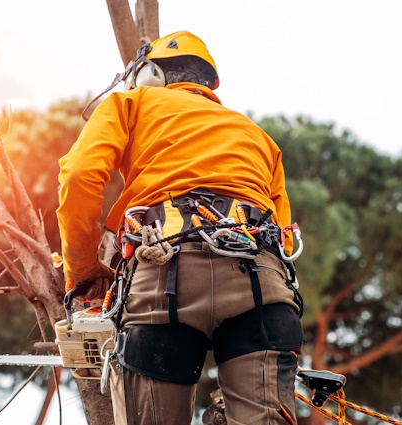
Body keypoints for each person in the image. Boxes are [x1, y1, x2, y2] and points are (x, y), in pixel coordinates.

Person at [56, 31, 304, 425]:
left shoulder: (130, 103)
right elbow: (285, 237)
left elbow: (80, 176)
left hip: (165, 280)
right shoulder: (257, 136)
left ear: (150, 74)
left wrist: (83, 269)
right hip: (262, 288)